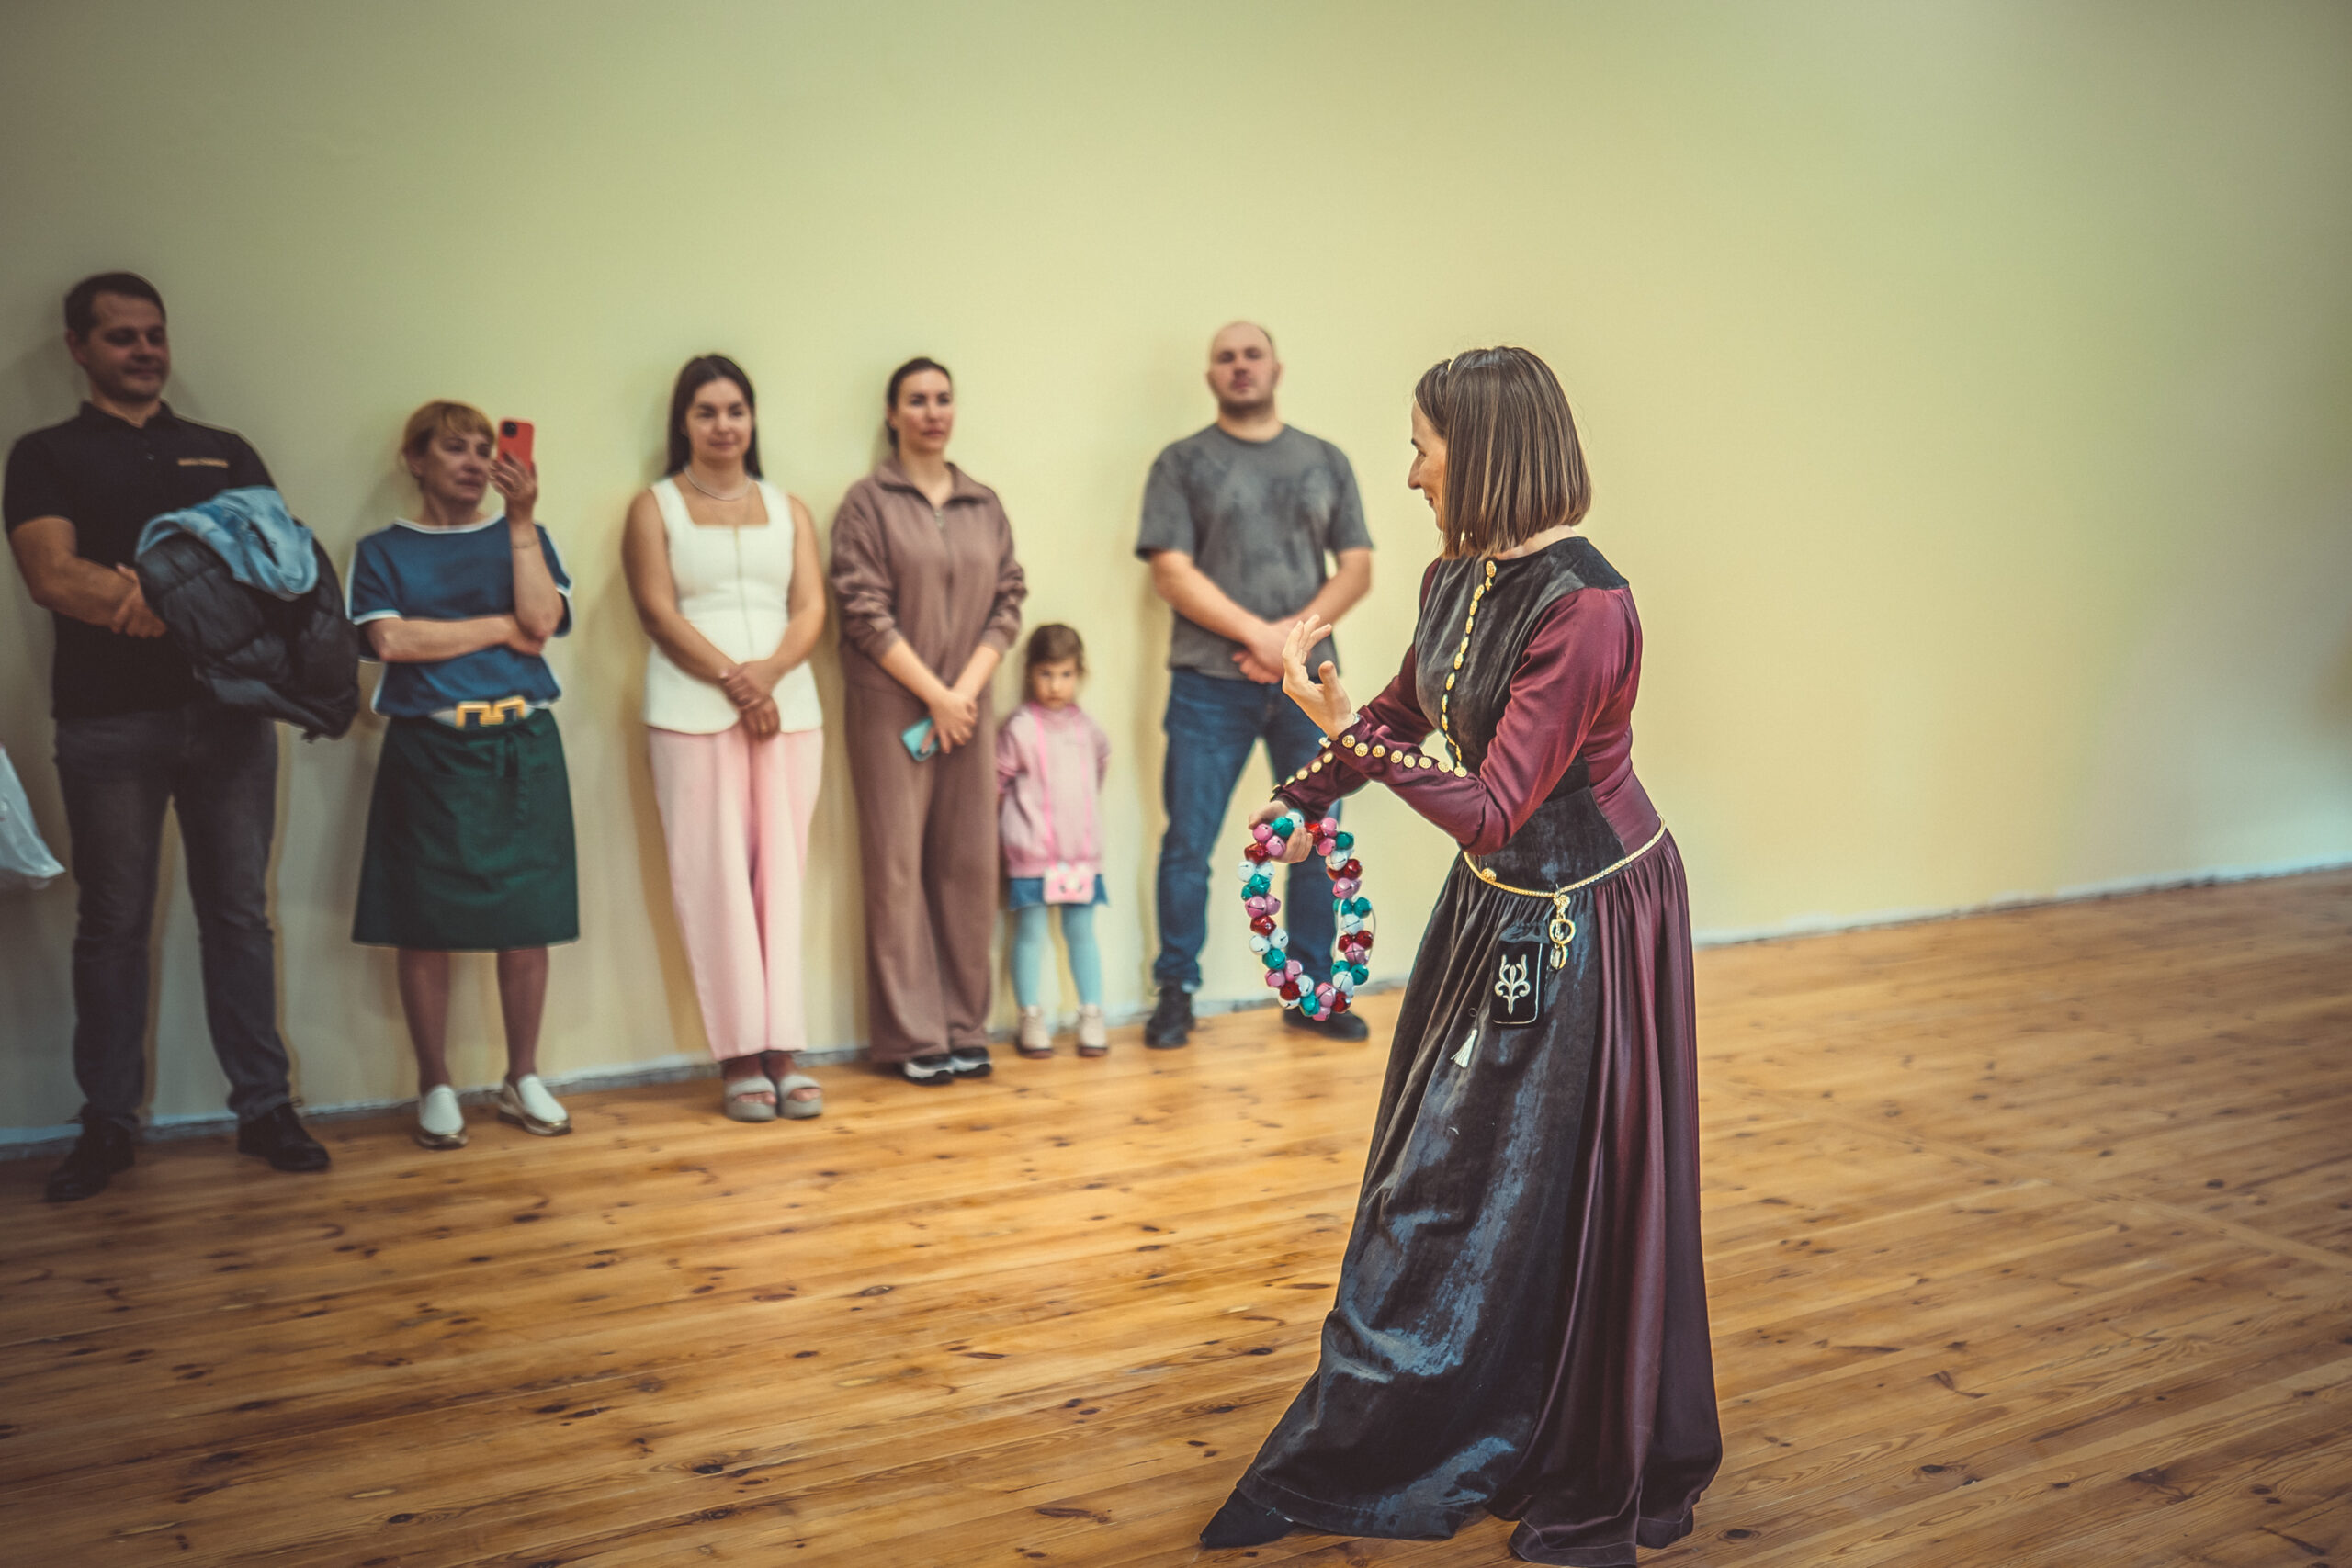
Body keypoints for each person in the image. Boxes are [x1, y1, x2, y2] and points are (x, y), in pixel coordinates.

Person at [1199, 348, 1720, 1564]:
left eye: (1422, 447)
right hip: (1496, 904)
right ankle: (1414, 1417)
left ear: (1482, 451)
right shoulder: (1456, 575)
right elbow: (1402, 712)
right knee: (1441, 1171)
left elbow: (1491, 804)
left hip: (1587, 917)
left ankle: (1493, 1425)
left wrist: (1345, 735)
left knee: (1484, 1180)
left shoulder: (1586, 609)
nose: (1412, 472)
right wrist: (1305, 793)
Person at [4, 272, 329, 1201]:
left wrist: (157, 600)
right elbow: (51, 576)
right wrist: (184, 600)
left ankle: (264, 1108)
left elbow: (280, 570)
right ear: (79, 348)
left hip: (232, 719)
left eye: (154, 334)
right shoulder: (44, 453)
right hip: (106, 723)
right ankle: (108, 1122)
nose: (145, 350)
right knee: (112, 925)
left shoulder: (223, 451)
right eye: (121, 337)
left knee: (239, 916)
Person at [1136, 321, 1374, 1048]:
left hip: (1309, 688)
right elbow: (1170, 571)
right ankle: (1175, 991)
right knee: (1190, 841)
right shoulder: (1181, 462)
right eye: (1225, 357)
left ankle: (1311, 994)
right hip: (1208, 685)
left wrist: (1286, 645)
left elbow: (1357, 568)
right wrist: (1263, 638)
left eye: (1252, 354)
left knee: (1314, 834)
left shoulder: (1325, 460)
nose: (1240, 366)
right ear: (1211, 375)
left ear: (1277, 367)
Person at [348, 400, 578, 1149]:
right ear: (416, 460)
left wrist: (521, 522)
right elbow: (391, 641)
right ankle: (435, 1083)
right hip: (429, 747)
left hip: (521, 741)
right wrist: (498, 628)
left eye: (486, 448)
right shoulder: (382, 551)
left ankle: (522, 1076)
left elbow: (542, 623)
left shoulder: (525, 536)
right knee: (424, 919)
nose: (477, 461)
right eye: (456, 448)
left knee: (528, 915)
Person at [622, 355, 827, 1122]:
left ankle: (785, 1050)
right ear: (683, 422)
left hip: (789, 709)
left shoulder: (789, 507)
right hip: (689, 708)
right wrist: (736, 681)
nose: (723, 425)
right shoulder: (655, 507)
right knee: (712, 879)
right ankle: (740, 1055)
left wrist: (768, 674)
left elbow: (809, 608)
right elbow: (657, 611)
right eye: (706, 411)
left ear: (753, 418)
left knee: (783, 877)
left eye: (735, 410)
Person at [829, 356, 1026, 1085]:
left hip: (968, 710)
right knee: (897, 869)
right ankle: (912, 1035)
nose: (933, 411)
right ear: (892, 414)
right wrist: (934, 696)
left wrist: (962, 693)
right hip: (892, 710)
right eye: (916, 400)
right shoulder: (866, 503)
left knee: (969, 865)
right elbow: (861, 609)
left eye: (943, 398)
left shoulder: (983, 503)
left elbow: (1008, 599)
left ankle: (965, 1027)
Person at [995, 624, 1111, 1058]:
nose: (1056, 685)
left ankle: (1091, 1015)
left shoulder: (1089, 731)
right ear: (1030, 673)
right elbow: (996, 784)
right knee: (1030, 933)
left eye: (1065, 674)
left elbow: (1097, 774)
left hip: (1079, 858)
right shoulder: (1020, 728)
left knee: (1081, 934)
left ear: (1079, 673)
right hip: (1031, 857)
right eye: (1046, 674)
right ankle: (1030, 1017)